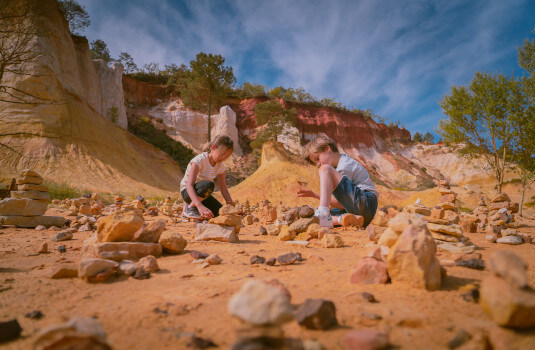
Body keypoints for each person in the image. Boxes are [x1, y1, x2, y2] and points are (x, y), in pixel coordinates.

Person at [297, 133, 378, 228]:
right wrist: (314, 195)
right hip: (363, 215)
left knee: (325, 169)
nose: (318, 164)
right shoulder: (337, 170)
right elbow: (343, 204)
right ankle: (347, 219)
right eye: (316, 163)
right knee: (315, 218)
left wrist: (322, 207)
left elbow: (341, 204)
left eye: (317, 158)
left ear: (327, 148)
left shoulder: (344, 165)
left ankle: (323, 213)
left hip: (366, 202)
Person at [180, 135, 234, 219]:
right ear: (213, 148)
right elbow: (189, 185)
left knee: (219, 213)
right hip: (187, 192)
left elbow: (224, 189)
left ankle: (190, 210)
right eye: (222, 154)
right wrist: (199, 205)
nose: (223, 158)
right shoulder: (199, 161)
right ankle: (190, 208)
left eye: (227, 156)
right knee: (209, 185)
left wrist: (231, 206)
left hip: (203, 195)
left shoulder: (221, 167)